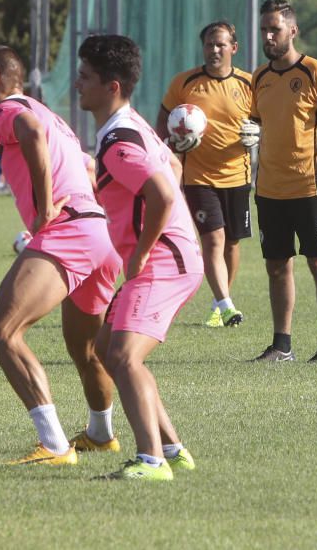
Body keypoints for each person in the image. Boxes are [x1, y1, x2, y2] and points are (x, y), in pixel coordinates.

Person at [0, 45, 122, 466]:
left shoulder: (8, 111)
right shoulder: (51, 114)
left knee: (1, 331)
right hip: (98, 232)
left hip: (68, 228)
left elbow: (30, 132)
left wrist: (45, 205)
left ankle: (53, 445)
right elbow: (89, 168)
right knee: (85, 351)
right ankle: (101, 434)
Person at [76, 34, 201, 480]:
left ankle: (151, 462)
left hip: (161, 260)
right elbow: (174, 168)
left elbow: (164, 191)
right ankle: (172, 447)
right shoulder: (129, 126)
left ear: (112, 86)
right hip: (171, 254)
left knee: (124, 357)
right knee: (109, 350)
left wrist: (144, 249)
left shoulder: (119, 141)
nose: (77, 83)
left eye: (85, 76)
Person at [250, 0, 317, 363]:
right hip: (269, 190)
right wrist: (250, 135)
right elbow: (257, 124)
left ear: (292, 31)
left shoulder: (315, 72)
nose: (268, 35)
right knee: (277, 266)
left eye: (274, 29)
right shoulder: (258, 78)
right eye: (264, 29)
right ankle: (282, 345)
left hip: (308, 188)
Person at [157, 21, 256, 328]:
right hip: (198, 176)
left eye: (220, 45)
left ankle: (218, 299)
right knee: (213, 239)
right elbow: (161, 126)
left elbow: (264, 121)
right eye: (209, 45)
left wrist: (260, 132)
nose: (214, 50)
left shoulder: (249, 84)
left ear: (233, 48)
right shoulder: (185, 83)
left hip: (238, 175)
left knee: (232, 243)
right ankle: (227, 306)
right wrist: (173, 141)